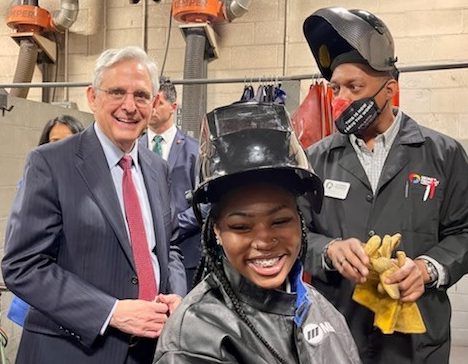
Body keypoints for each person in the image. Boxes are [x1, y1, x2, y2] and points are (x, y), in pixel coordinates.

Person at [302, 7, 468, 364]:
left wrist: (428, 269)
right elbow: (295, 235)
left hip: (416, 340)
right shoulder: (314, 160)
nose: (340, 99)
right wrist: (329, 249)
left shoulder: (443, 154)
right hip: (338, 333)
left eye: (353, 87)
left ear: (389, 89)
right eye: (335, 88)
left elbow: (464, 232)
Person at [2, 46, 186, 364]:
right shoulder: (51, 163)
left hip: (147, 350)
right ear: (93, 97)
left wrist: (177, 296)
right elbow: (23, 266)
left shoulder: (157, 168)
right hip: (71, 352)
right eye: (116, 92)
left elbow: (169, 248)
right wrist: (110, 312)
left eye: (141, 95)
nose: (129, 106)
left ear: (155, 103)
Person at [153, 102, 361, 364]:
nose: (264, 241)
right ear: (216, 230)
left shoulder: (320, 310)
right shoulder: (194, 338)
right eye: (241, 227)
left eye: (280, 221)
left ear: (300, 221)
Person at [7, 114, 85, 327]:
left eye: (70, 140)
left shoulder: (93, 187)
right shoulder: (35, 182)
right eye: (55, 142)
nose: (62, 147)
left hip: (79, 294)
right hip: (43, 290)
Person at [140, 80, 201, 291]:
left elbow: (206, 203)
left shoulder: (194, 151)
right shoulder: (133, 149)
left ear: (173, 107)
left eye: (158, 102)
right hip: (142, 256)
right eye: (148, 101)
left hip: (187, 255)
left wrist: (169, 227)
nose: (151, 108)